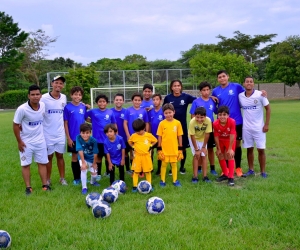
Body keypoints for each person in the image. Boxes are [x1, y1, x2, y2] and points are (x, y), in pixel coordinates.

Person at [13, 85, 51, 195]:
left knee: (42, 163)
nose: (35, 97)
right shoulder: (22, 109)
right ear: (28, 96)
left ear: (40, 96)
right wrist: (19, 141)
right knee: (25, 164)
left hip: (40, 141)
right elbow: (15, 125)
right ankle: (28, 188)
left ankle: (45, 185)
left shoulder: (43, 105)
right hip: (26, 142)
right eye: (33, 95)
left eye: (37, 94)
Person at [239, 76, 271, 178]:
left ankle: (263, 172)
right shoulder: (240, 96)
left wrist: (266, 124)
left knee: (261, 149)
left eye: (251, 82)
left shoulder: (260, 95)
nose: (249, 83)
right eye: (247, 81)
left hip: (259, 128)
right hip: (246, 128)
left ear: (253, 84)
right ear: (244, 84)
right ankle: (251, 170)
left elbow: (268, 109)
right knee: (249, 149)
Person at [163, 80, 196, 174]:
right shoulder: (168, 98)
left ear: (181, 87)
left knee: (183, 147)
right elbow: (163, 109)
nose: (177, 87)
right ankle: (171, 168)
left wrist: (209, 97)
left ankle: (182, 167)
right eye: (174, 86)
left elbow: (198, 100)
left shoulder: (186, 97)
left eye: (178, 85)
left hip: (182, 126)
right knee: (171, 147)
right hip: (170, 127)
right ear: (171, 87)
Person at [41, 75, 68, 185]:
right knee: (49, 156)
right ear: (52, 84)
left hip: (60, 133)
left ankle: (62, 178)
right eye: (56, 82)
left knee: (60, 156)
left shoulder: (64, 97)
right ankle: (48, 179)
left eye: (61, 83)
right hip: (47, 133)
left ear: (63, 86)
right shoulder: (43, 98)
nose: (58, 85)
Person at [85, 94, 117, 177]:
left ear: (106, 103)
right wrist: (93, 121)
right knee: (98, 157)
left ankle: (108, 172)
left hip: (108, 139)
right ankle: (98, 174)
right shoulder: (93, 111)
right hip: (97, 140)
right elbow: (85, 116)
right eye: (100, 101)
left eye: (104, 101)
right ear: (97, 103)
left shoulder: (110, 112)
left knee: (108, 156)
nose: (102, 103)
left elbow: (114, 124)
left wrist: (116, 135)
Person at [190, 81, 218, 176]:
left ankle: (213, 168)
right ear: (200, 92)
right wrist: (197, 127)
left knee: (210, 149)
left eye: (207, 90)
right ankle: (199, 168)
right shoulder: (196, 101)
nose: (206, 92)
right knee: (199, 150)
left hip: (210, 129)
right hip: (199, 130)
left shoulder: (212, 101)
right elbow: (193, 115)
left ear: (210, 90)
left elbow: (216, 112)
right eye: (203, 90)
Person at [63, 86, 87, 185]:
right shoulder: (67, 107)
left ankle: (84, 177)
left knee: (83, 157)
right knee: (74, 157)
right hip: (73, 137)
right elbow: (65, 123)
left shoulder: (83, 107)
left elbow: (86, 119)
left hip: (84, 137)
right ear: (71, 95)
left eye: (79, 95)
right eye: (75, 94)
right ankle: (76, 178)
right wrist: (68, 138)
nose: (77, 96)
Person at [157, 103, 184, 187]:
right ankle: (162, 180)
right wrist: (159, 148)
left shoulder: (177, 123)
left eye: (170, 112)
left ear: (174, 112)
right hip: (164, 149)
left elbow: (179, 136)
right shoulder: (162, 123)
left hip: (174, 149)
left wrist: (180, 148)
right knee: (164, 164)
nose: (168, 114)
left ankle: (175, 180)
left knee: (174, 164)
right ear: (163, 114)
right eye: (166, 113)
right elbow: (159, 136)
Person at [124, 93, 149, 178]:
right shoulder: (128, 110)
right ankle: (134, 170)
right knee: (132, 154)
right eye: (135, 100)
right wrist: (128, 135)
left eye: (139, 100)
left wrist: (147, 134)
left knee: (141, 154)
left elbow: (147, 123)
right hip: (132, 137)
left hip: (141, 137)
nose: (137, 102)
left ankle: (142, 171)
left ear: (141, 101)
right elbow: (125, 123)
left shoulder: (144, 111)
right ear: (132, 101)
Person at [128, 119, 157, 192]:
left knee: (147, 171)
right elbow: (129, 141)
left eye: (139, 131)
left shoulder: (148, 135)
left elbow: (155, 140)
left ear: (144, 128)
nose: (138, 132)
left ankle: (149, 185)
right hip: (137, 157)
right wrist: (133, 147)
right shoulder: (134, 136)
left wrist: (151, 146)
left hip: (146, 156)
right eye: (136, 131)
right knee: (136, 172)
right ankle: (135, 186)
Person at [213, 106, 236, 186]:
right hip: (221, 140)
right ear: (218, 115)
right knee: (220, 155)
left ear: (228, 115)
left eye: (224, 114)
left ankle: (231, 177)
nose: (222, 116)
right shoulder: (215, 123)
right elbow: (216, 136)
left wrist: (230, 149)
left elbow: (232, 134)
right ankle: (225, 174)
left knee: (230, 155)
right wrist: (218, 148)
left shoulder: (232, 121)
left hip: (230, 140)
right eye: (220, 114)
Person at [188, 107, 212, 183]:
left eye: (202, 117)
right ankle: (195, 176)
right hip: (193, 138)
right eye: (197, 117)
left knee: (204, 156)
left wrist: (204, 147)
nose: (199, 119)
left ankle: (205, 176)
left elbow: (207, 134)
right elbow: (192, 135)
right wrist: (197, 149)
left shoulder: (208, 120)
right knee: (196, 156)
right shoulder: (192, 122)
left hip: (203, 138)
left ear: (205, 116)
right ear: (194, 116)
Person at [111, 93, 132, 175]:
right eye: (117, 100)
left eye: (120, 100)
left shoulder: (126, 111)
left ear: (123, 101)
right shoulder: (110, 111)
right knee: (112, 153)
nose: (118, 101)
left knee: (126, 152)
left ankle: (127, 169)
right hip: (113, 137)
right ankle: (109, 171)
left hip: (125, 136)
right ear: (114, 101)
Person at [76, 123, 99, 194]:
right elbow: (80, 150)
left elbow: (95, 152)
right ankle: (84, 187)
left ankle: (93, 182)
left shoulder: (94, 141)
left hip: (92, 158)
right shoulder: (78, 138)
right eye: (83, 133)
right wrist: (83, 163)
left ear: (90, 133)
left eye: (87, 133)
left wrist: (94, 163)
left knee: (94, 174)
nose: (85, 135)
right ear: (80, 132)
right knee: (83, 169)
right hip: (83, 157)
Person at [148, 93, 164, 175]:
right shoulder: (150, 111)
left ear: (160, 101)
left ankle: (159, 169)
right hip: (152, 135)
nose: (155, 101)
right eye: (153, 100)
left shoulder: (163, 111)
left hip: (161, 136)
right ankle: (150, 168)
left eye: (157, 99)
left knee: (159, 151)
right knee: (151, 151)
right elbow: (149, 124)